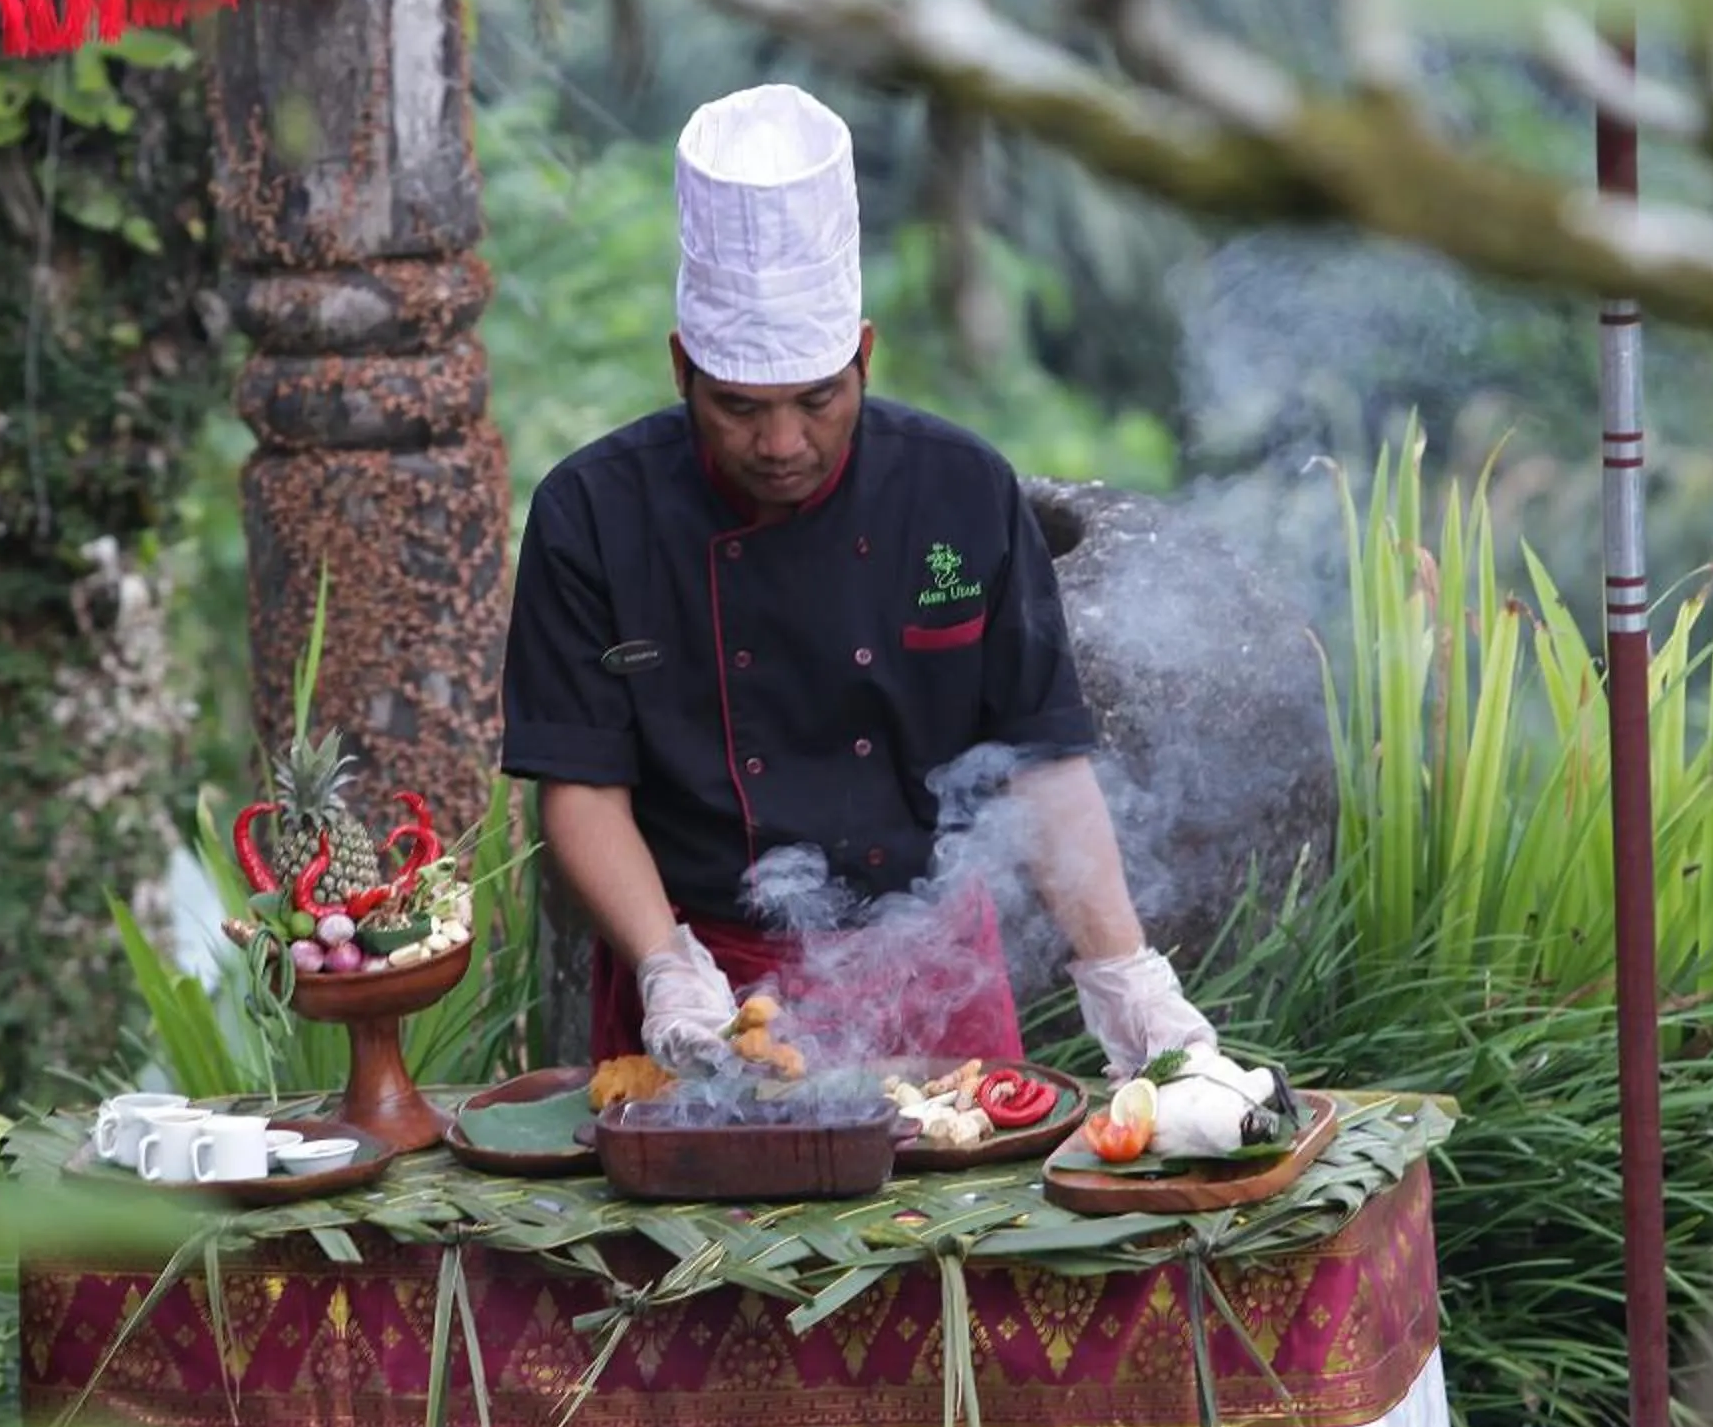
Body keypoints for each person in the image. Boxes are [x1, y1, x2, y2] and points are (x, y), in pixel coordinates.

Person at [499, 82, 1218, 1079]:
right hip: (703, 972)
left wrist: (1125, 972)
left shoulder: (962, 493)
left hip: (931, 972)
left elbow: (1041, 759)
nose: (782, 441)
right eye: (740, 405)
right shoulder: (592, 514)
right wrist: (668, 966)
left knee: (968, 1230)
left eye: (817, 397)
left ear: (865, 356)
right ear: (681, 368)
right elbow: (580, 784)